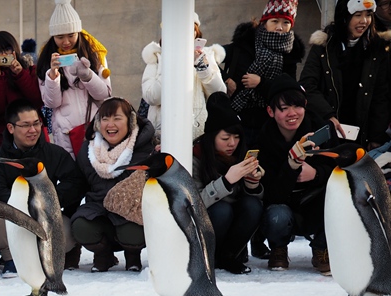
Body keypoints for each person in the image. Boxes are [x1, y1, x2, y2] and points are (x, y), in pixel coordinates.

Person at [0, 99, 87, 275]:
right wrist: (23, 205)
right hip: (14, 216)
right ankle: (12, 258)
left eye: (36, 124)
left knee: (68, 233)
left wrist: (48, 200)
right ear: (11, 128)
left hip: (46, 215)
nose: (33, 130)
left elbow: (74, 182)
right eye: (25, 125)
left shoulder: (54, 153)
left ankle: (47, 257)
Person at [256, 74, 339, 274]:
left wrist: (316, 173)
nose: (292, 114)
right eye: (283, 109)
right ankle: (278, 247)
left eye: (297, 106)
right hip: (284, 205)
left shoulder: (322, 131)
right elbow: (271, 194)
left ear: (306, 105)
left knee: (337, 198)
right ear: (270, 111)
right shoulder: (263, 140)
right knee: (277, 214)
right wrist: (291, 167)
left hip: (316, 202)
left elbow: (340, 169)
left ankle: (322, 248)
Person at [70, 97, 155, 272]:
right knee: (80, 226)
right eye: (105, 118)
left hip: (131, 212)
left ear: (130, 121)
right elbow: (78, 185)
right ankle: (103, 254)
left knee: (133, 232)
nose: (110, 124)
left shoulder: (147, 150)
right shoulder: (88, 151)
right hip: (98, 209)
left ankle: (133, 255)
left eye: (117, 118)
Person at [299, 0, 390, 149]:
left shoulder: (376, 48)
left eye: (368, 15)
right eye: (358, 15)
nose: (364, 21)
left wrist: (376, 136)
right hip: (327, 131)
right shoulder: (324, 46)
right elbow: (307, 85)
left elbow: (381, 95)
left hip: (361, 134)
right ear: (344, 17)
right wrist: (327, 115)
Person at [191, 92, 264, 274]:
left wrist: (252, 183)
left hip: (233, 224)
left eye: (237, 137)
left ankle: (231, 256)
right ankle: (211, 258)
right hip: (206, 225)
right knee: (222, 210)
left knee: (253, 205)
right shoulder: (196, 156)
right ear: (212, 137)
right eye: (225, 138)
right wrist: (226, 181)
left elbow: (249, 201)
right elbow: (194, 204)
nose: (232, 143)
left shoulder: (240, 154)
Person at [221, 0, 306, 147]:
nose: (279, 27)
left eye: (286, 22)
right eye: (274, 21)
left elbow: (288, 90)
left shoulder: (290, 54)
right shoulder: (244, 43)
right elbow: (210, 57)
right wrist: (226, 79)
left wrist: (261, 83)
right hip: (236, 120)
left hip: (268, 124)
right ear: (264, 22)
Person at [36, 0, 112, 158]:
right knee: (73, 177)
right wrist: (53, 75)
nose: (66, 42)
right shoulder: (45, 60)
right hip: (65, 134)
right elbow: (51, 103)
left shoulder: (95, 54)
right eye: (59, 37)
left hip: (96, 129)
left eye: (71, 35)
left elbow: (104, 94)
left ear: (78, 32)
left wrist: (87, 75)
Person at [141, 13, 227, 142]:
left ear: (195, 32)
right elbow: (152, 97)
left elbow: (219, 94)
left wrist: (202, 67)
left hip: (199, 133)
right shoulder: (156, 56)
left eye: (187, 29)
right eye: (176, 29)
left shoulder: (206, 55)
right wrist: (173, 64)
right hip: (164, 133)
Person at [0, 31, 43, 155]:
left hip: (31, 134)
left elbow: (36, 100)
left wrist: (20, 74)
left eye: (8, 49)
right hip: (2, 137)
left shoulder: (30, 71)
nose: (4, 54)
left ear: (14, 50)